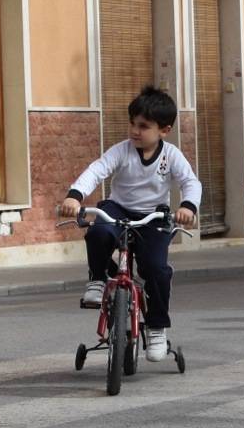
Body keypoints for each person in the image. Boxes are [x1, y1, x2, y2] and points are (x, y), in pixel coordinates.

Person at [57, 86, 200, 362]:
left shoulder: (171, 156)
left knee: (156, 270)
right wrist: (74, 197)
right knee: (98, 229)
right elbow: (97, 170)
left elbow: (190, 183)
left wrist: (187, 206)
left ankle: (157, 328)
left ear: (164, 130)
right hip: (118, 209)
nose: (135, 131)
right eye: (132, 124)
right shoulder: (121, 151)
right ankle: (98, 279)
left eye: (144, 126)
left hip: (153, 217)